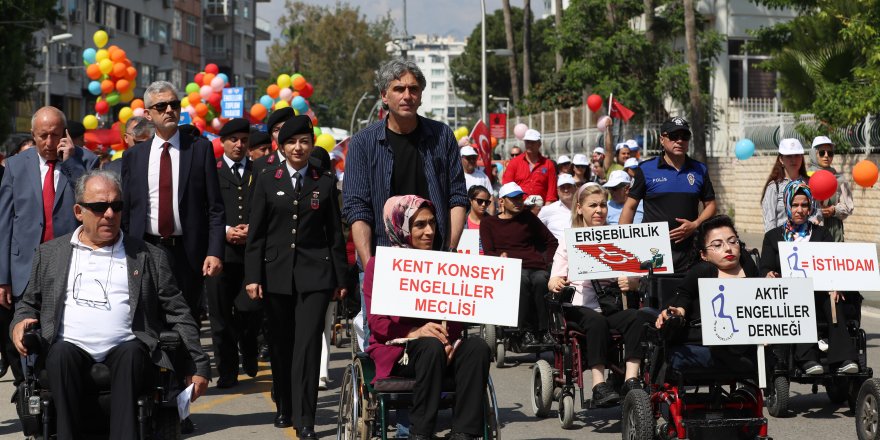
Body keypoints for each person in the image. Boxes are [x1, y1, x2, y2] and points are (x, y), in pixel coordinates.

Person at [11, 170, 210, 440]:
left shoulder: (148, 256)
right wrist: (19, 324)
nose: (109, 214)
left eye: (116, 206)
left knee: (130, 354)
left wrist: (198, 366)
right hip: (69, 348)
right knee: (59, 355)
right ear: (79, 211)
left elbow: (179, 313)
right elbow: (27, 304)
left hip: (127, 347)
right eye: (99, 207)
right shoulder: (50, 254)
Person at [244, 115, 347, 437]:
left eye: (304, 141)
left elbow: (335, 236)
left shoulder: (325, 182)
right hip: (275, 276)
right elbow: (256, 234)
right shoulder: (266, 178)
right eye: (291, 142)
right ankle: (284, 405)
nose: (298, 147)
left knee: (306, 347)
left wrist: (341, 279)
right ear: (282, 147)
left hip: (315, 276)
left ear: (312, 142)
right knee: (281, 345)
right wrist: (252, 276)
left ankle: (305, 419)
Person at [364, 195, 491, 440]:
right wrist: (415, 333)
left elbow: (456, 317)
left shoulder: (444, 263)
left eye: (432, 223)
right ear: (400, 227)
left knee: (477, 347)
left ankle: (464, 432)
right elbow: (377, 324)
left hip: (441, 346)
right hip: (399, 350)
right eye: (419, 225)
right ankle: (421, 433)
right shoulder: (379, 266)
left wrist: (448, 340)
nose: (429, 231)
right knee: (429, 346)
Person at [0, 106, 99, 388]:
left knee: (66, 335)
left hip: (70, 265)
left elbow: (91, 205)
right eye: (43, 136)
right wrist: (2, 278)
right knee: (27, 333)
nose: (49, 142)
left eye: (55, 135)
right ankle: (32, 393)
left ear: (65, 135)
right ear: (33, 135)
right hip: (25, 269)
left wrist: (71, 164)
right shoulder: (16, 166)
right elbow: (5, 223)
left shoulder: (86, 162)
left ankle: (66, 390)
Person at [120, 81, 225, 328]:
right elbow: (127, 209)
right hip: (146, 248)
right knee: (149, 319)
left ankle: (187, 367)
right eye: (161, 106)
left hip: (188, 253)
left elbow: (215, 207)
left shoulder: (199, 149)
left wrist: (214, 251)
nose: (169, 110)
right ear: (147, 114)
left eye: (174, 104)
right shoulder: (134, 156)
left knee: (186, 322)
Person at [343, 58, 467, 263]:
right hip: (383, 258)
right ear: (384, 96)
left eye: (414, 89)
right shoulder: (362, 143)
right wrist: (369, 266)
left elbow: (457, 197)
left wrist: (450, 251)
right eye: (399, 89)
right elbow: (357, 208)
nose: (407, 96)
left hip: (435, 256)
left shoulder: (442, 136)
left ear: (421, 96)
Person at [548, 182, 648, 404]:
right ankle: (598, 385)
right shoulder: (569, 238)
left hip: (609, 304)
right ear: (579, 208)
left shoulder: (616, 237)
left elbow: (636, 276)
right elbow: (554, 276)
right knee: (596, 322)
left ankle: (630, 380)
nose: (599, 210)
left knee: (636, 318)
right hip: (579, 306)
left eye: (602, 205)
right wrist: (556, 282)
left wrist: (631, 282)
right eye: (592, 205)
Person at [759, 180, 859, 375]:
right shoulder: (773, 236)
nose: (800, 210)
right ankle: (807, 358)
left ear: (811, 206)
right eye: (795, 205)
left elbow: (833, 264)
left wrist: (835, 285)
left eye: (804, 205)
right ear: (787, 205)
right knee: (800, 297)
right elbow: (765, 267)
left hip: (820, 291)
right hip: (789, 294)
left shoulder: (822, 234)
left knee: (833, 297)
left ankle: (844, 358)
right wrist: (768, 274)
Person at [655, 215, 759, 371]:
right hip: (707, 337)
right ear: (704, 255)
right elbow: (684, 295)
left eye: (732, 241)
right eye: (717, 245)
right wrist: (679, 312)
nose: (728, 248)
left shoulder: (747, 264)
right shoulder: (704, 270)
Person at [205, 118, 261, 388]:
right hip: (220, 254)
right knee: (220, 316)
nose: (239, 145)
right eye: (233, 140)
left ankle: (249, 347)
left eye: (244, 140)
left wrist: (253, 228)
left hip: (250, 254)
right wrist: (226, 231)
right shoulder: (212, 172)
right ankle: (227, 370)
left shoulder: (257, 170)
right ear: (223, 142)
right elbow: (205, 211)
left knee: (249, 309)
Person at [620, 117, 717, 269]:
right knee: (655, 292)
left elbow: (711, 205)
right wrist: (623, 243)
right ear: (662, 139)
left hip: (689, 252)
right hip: (653, 250)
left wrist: (695, 224)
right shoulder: (645, 169)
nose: (679, 141)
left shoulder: (700, 169)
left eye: (685, 137)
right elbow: (630, 207)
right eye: (673, 136)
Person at [481, 182, 558, 346]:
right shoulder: (488, 223)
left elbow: (551, 241)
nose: (518, 202)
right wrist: (499, 258)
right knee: (521, 280)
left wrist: (547, 261)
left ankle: (544, 331)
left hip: (535, 265)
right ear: (502, 201)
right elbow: (488, 252)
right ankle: (525, 331)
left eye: (520, 198)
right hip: (510, 268)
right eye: (513, 199)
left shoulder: (529, 217)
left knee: (540, 281)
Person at [761, 138, 815, 232]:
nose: (793, 160)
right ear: (781, 159)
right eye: (789, 156)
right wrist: (774, 242)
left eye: (797, 155)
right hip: (782, 242)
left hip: (806, 241)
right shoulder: (774, 187)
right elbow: (770, 221)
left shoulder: (810, 183)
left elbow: (816, 213)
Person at [809, 136, 853, 242]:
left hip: (835, 232)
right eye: (822, 152)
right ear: (813, 154)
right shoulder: (806, 177)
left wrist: (834, 210)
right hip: (813, 230)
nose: (826, 156)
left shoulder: (839, 178)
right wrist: (818, 212)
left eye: (830, 153)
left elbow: (849, 207)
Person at [502, 129, 558, 205]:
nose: (529, 145)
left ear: (539, 144)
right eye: (527, 142)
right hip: (518, 208)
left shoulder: (548, 164)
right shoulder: (514, 163)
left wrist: (545, 211)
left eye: (533, 142)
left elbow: (551, 194)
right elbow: (507, 187)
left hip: (541, 210)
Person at [252, 107, 295, 176]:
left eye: (286, 127)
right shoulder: (260, 165)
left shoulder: (313, 163)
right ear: (272, 137)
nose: (282, 133)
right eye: (276, 130)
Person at [538, 173, 576, 240]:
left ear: (575, 188)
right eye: (562, 188)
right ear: (557, 191)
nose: (566, 190)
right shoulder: (547, 210)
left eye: (569, 187)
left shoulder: (584, 208)